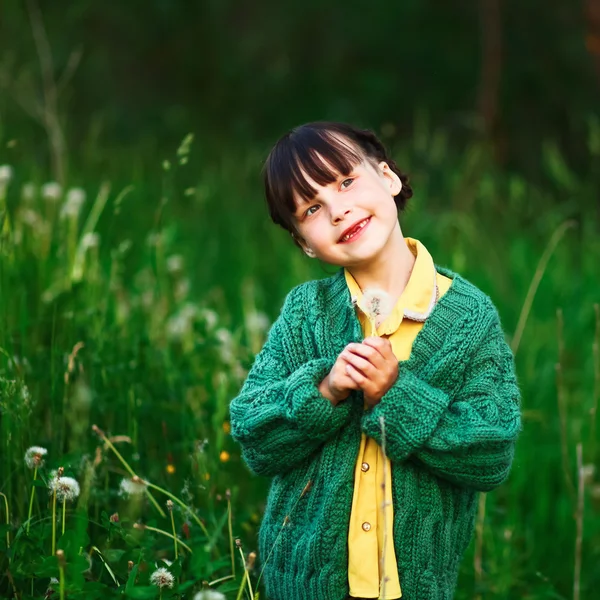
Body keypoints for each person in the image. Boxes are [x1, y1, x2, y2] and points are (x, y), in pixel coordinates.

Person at [229, 121, 522, 600]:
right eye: (312, 208)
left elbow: (490, 453)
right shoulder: (307, 314)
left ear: (387, 177)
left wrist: (396, 393)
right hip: (304, 585)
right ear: (305, 243)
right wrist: (324, 392)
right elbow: (255, 438)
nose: (339, 210)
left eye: (346, 182)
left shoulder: (469, 317)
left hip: (412, 587)